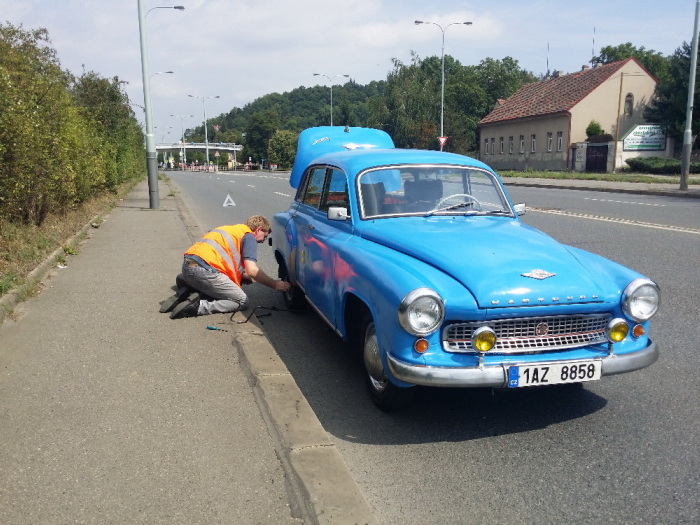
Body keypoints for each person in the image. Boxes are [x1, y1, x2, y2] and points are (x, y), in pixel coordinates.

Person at [161, 215, 291, 319]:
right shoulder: (249, 236)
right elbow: (252, 270)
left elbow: (225, 259)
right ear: (258, 230)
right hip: (204, 272)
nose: (263, 240)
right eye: (265, 236)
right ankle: (196, 307)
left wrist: (242, 275)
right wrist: (275, 284)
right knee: (241, 301)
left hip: (188, 266)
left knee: (204, 280)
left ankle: (188, 290)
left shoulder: (229, 230)